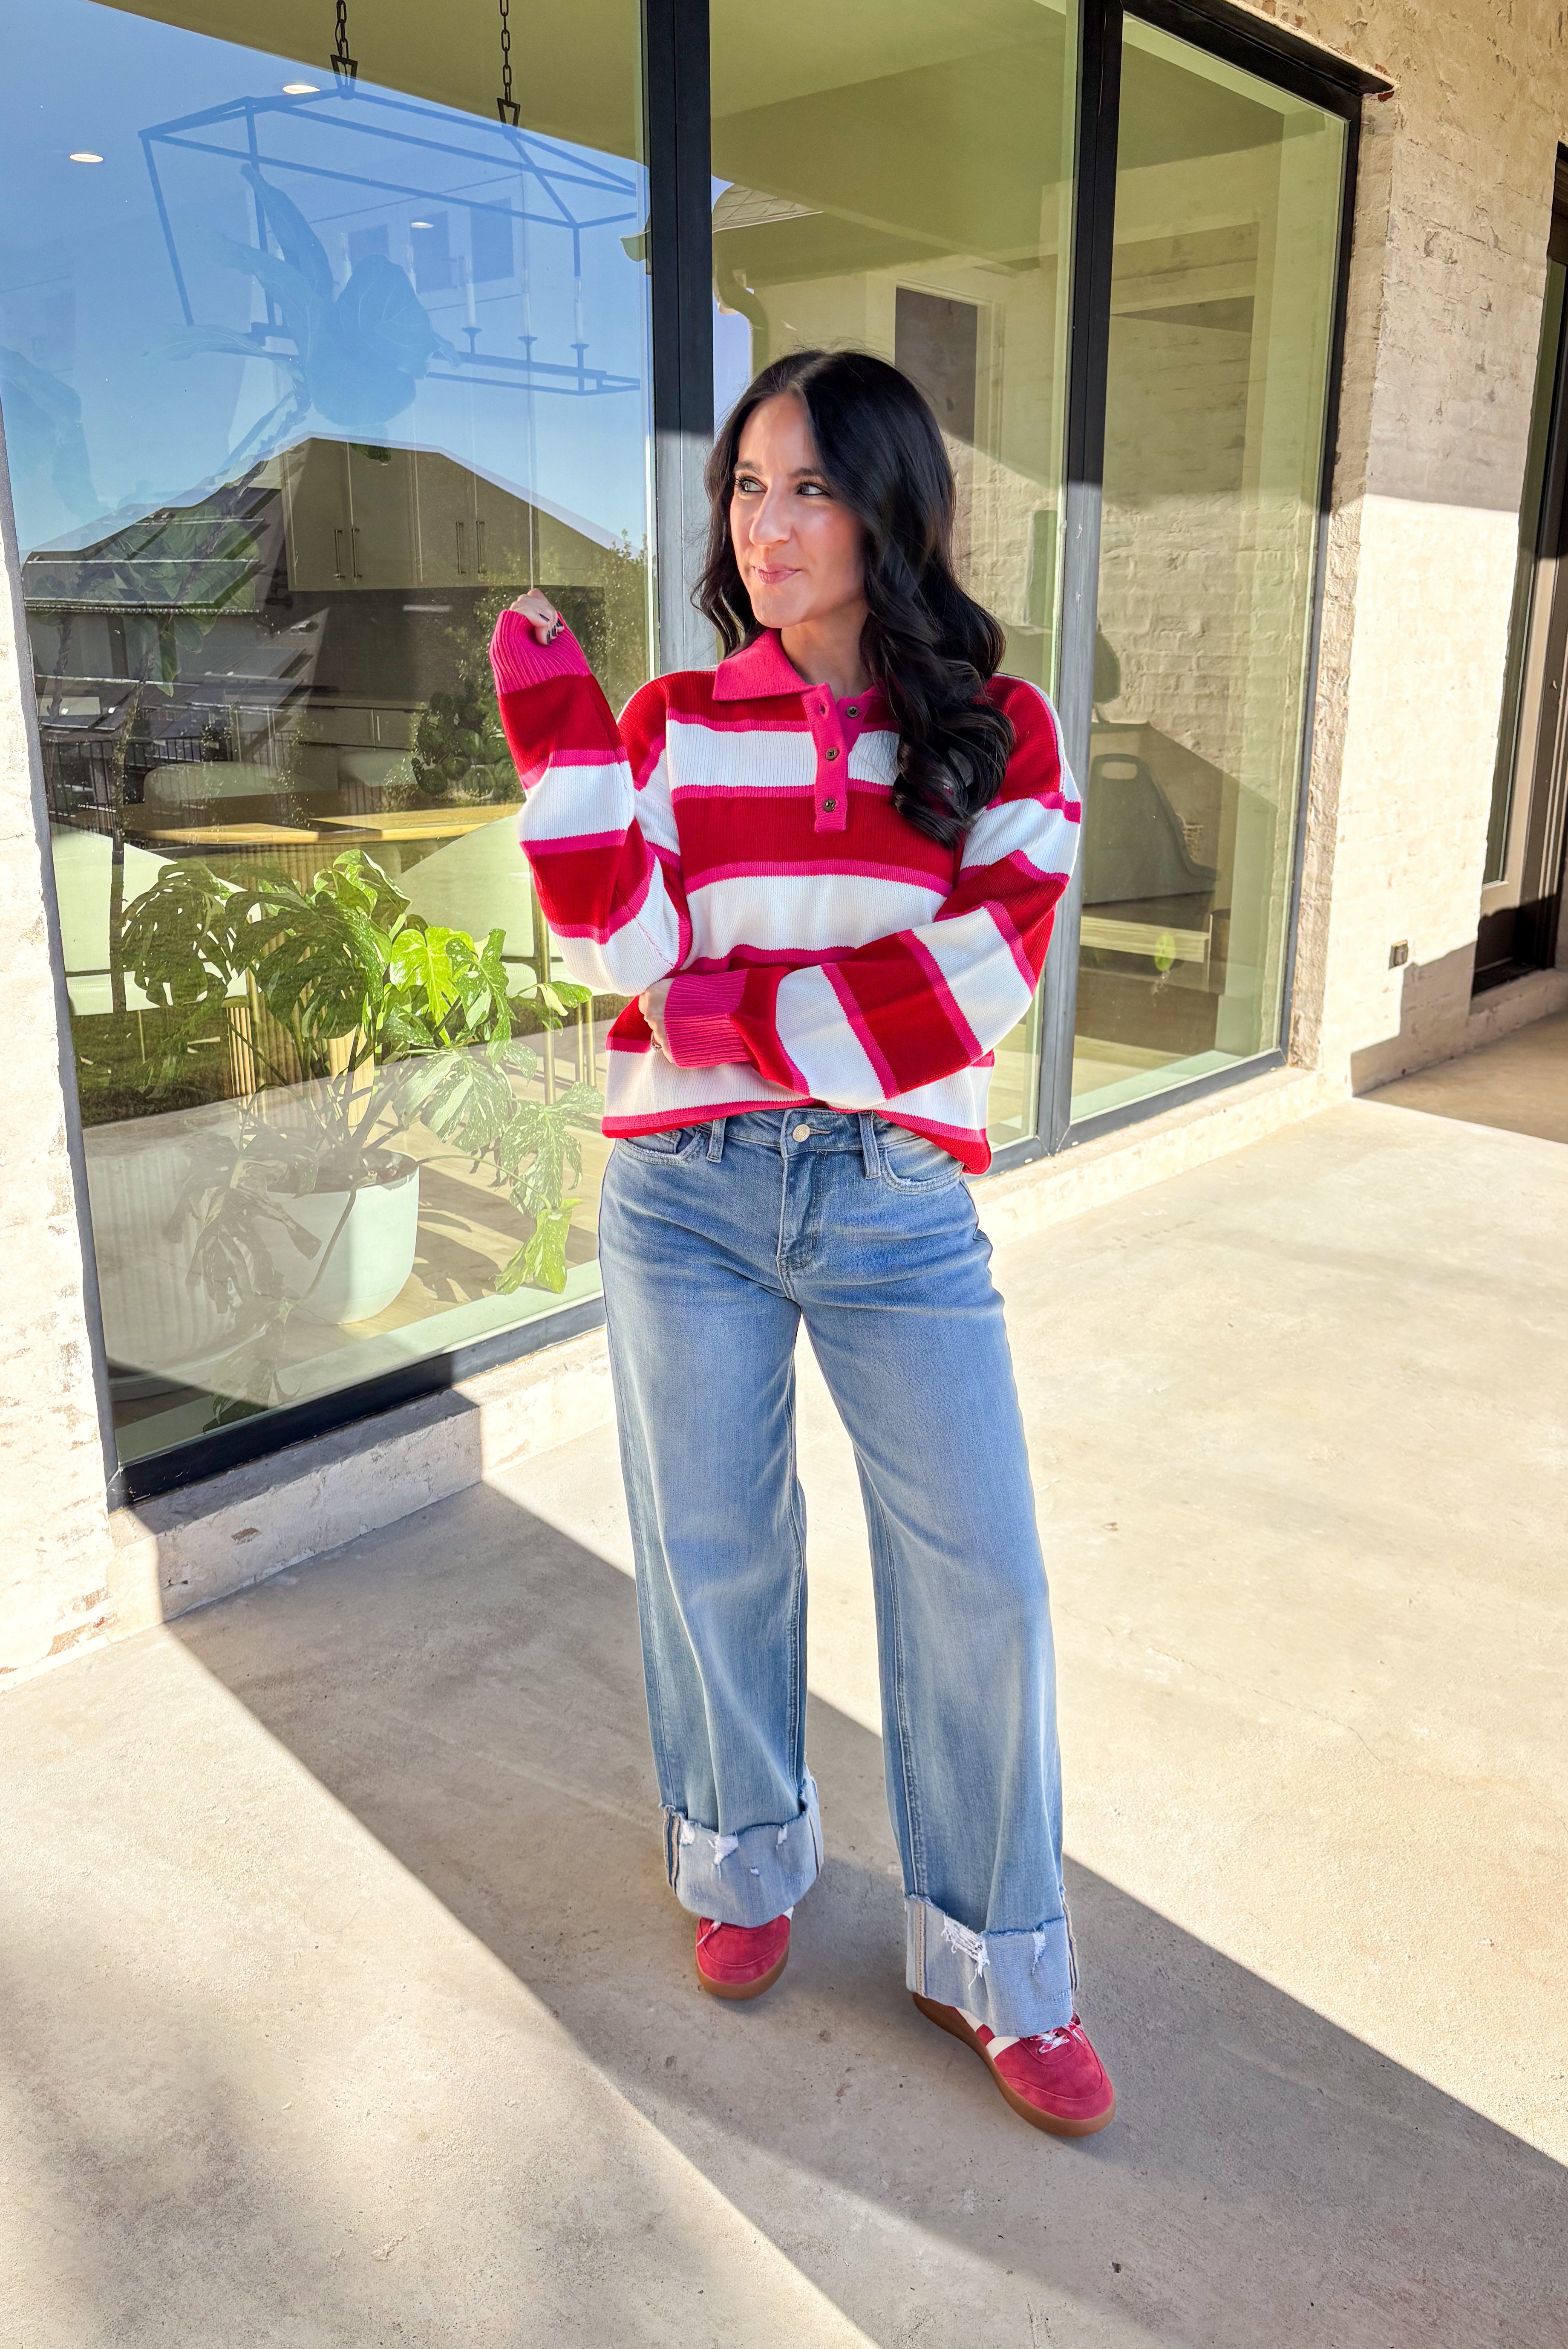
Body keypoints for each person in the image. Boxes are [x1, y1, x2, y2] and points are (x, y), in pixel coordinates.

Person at [490, 349, 1114, 2138]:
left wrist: (728, 1011)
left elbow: (965, 996)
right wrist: (560, 751)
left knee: (978, 1575)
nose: (765, 526)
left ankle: (992, 1958)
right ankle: (743, 1859)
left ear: (889, 506)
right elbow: (621, 955)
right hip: (680, 1199)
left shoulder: (1001, 730)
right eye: (743, 491)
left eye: (807, 488)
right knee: (710, 1547)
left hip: (894, 1204)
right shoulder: (673, 723)